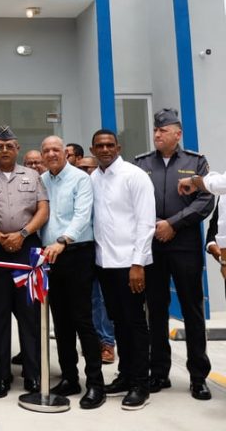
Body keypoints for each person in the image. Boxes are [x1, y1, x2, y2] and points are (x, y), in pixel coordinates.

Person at [134, 108, 214, 400]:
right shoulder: (141, 163)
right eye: (155, 130)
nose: (157, 134)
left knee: (192, 310)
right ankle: (159, 372)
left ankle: (198, 377)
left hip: (184, 246)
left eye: (163, 130)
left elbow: (206, 200)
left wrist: (173, 224)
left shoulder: (196, 161)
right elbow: (135, 200)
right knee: (155, 310)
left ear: (177, 134)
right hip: (152, 245)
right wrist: (157, 226)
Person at [0, 126, 48, 398]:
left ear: (17, 148)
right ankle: (2, 377)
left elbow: (43, 209)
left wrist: (22, 234)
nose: (5, 150)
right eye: (0, 146)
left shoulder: (33, 176)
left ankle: (32, 375)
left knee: (29, 316)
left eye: (10, 146)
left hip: (26, 251)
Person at [90, 129, 155, 410]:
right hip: (104, 263)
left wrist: (138, 263)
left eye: (109, 145)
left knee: (135, 323)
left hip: (130, 264)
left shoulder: (134, 175)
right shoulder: (93, 178)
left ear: (118, 147)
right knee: (118, 322)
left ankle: (141, 382)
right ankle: (126, 375)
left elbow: (146, 221)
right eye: (99, 146)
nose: (105, 150)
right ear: (93, 150)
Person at [39, 135, 106, 410]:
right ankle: (70, 378)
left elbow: (82, 215)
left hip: (76, 252)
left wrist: (63, 240)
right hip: (49, 258)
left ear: (65, 153)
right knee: (61, 322)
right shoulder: (41, 180)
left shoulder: (81, 179)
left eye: (56, 149)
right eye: (47, 150)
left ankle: (95, 384)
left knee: (82, 320)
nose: (51, 154)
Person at [75, 154, 115, 363]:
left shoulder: (103, 189)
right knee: (89, 300)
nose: (85, 173)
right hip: (83, 253)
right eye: (80, 168)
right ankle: (93, 343)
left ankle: (107, 343)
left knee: (103, 300)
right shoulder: (78, 188)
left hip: (107, 253)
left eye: (88, 168)